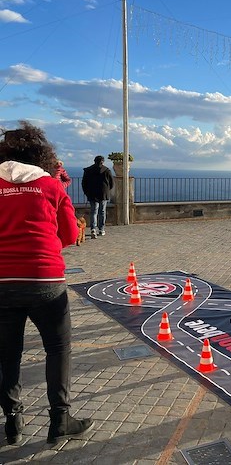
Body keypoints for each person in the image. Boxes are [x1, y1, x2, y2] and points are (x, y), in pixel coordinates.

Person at [0, 121, 94, 445]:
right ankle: (60, 420)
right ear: (40, 155)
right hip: (46, 280)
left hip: (2, 282)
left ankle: (12, 422)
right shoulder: (52, 187)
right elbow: (69, 235)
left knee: (7, 354)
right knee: (57, 350)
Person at [82, 155, 114, 238]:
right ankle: (101, 229)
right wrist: (107, 190)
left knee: (94, 212)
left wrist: (86, 192)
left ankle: (93, 229)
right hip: (103, 193)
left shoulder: (88, 170)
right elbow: (111, 183)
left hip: (92, 193)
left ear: (94, 161)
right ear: (102, 161)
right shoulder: (106, 170)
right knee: (102, 212)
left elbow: (84, 183)